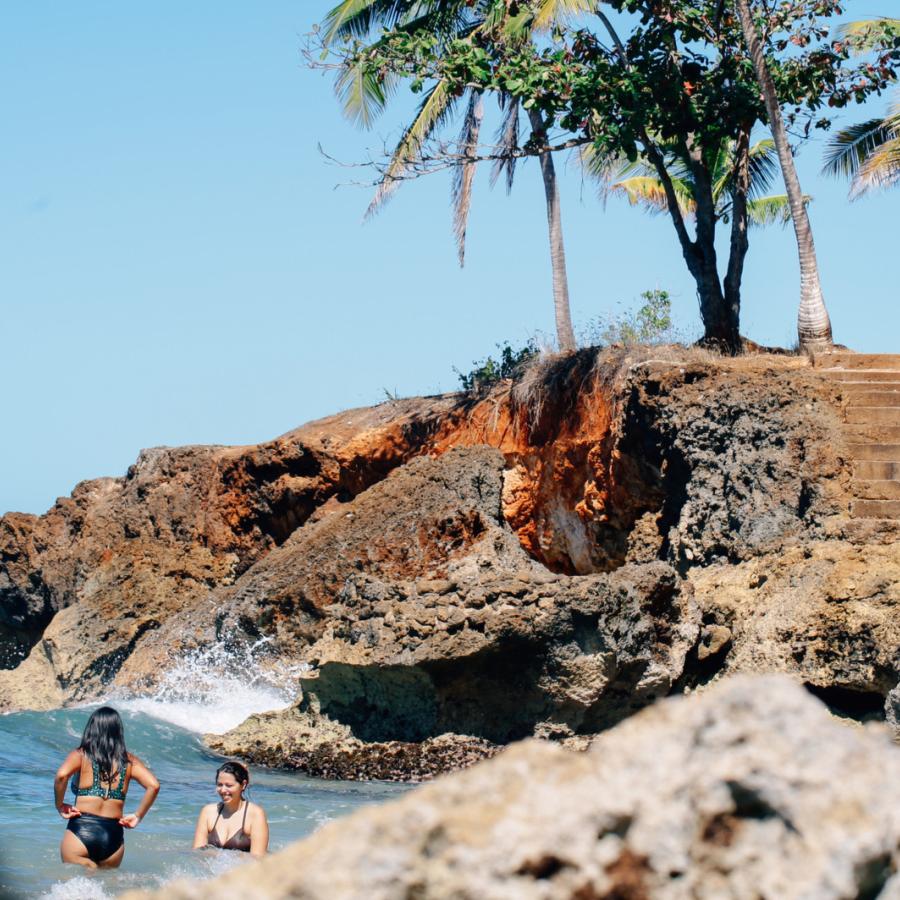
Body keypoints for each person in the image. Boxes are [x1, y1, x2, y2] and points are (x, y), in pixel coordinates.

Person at [54, 706, 160, 869]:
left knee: (81, 879)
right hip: (113, 836)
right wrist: (138, 816)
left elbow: (62, 776)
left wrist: (60, 805)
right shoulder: (129, 761)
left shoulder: (81, 754)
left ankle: (89, 869)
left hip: (82, 828)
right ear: (119, 732)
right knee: (105, 886)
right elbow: (154, 785)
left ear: (92, 728)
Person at [193, 761, 268, 858]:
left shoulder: (255, 814)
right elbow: (197, 854)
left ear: (243, 785)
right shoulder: (208, 812)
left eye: (229, 785)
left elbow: (258, 859)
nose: (223, 790)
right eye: (219, 785)